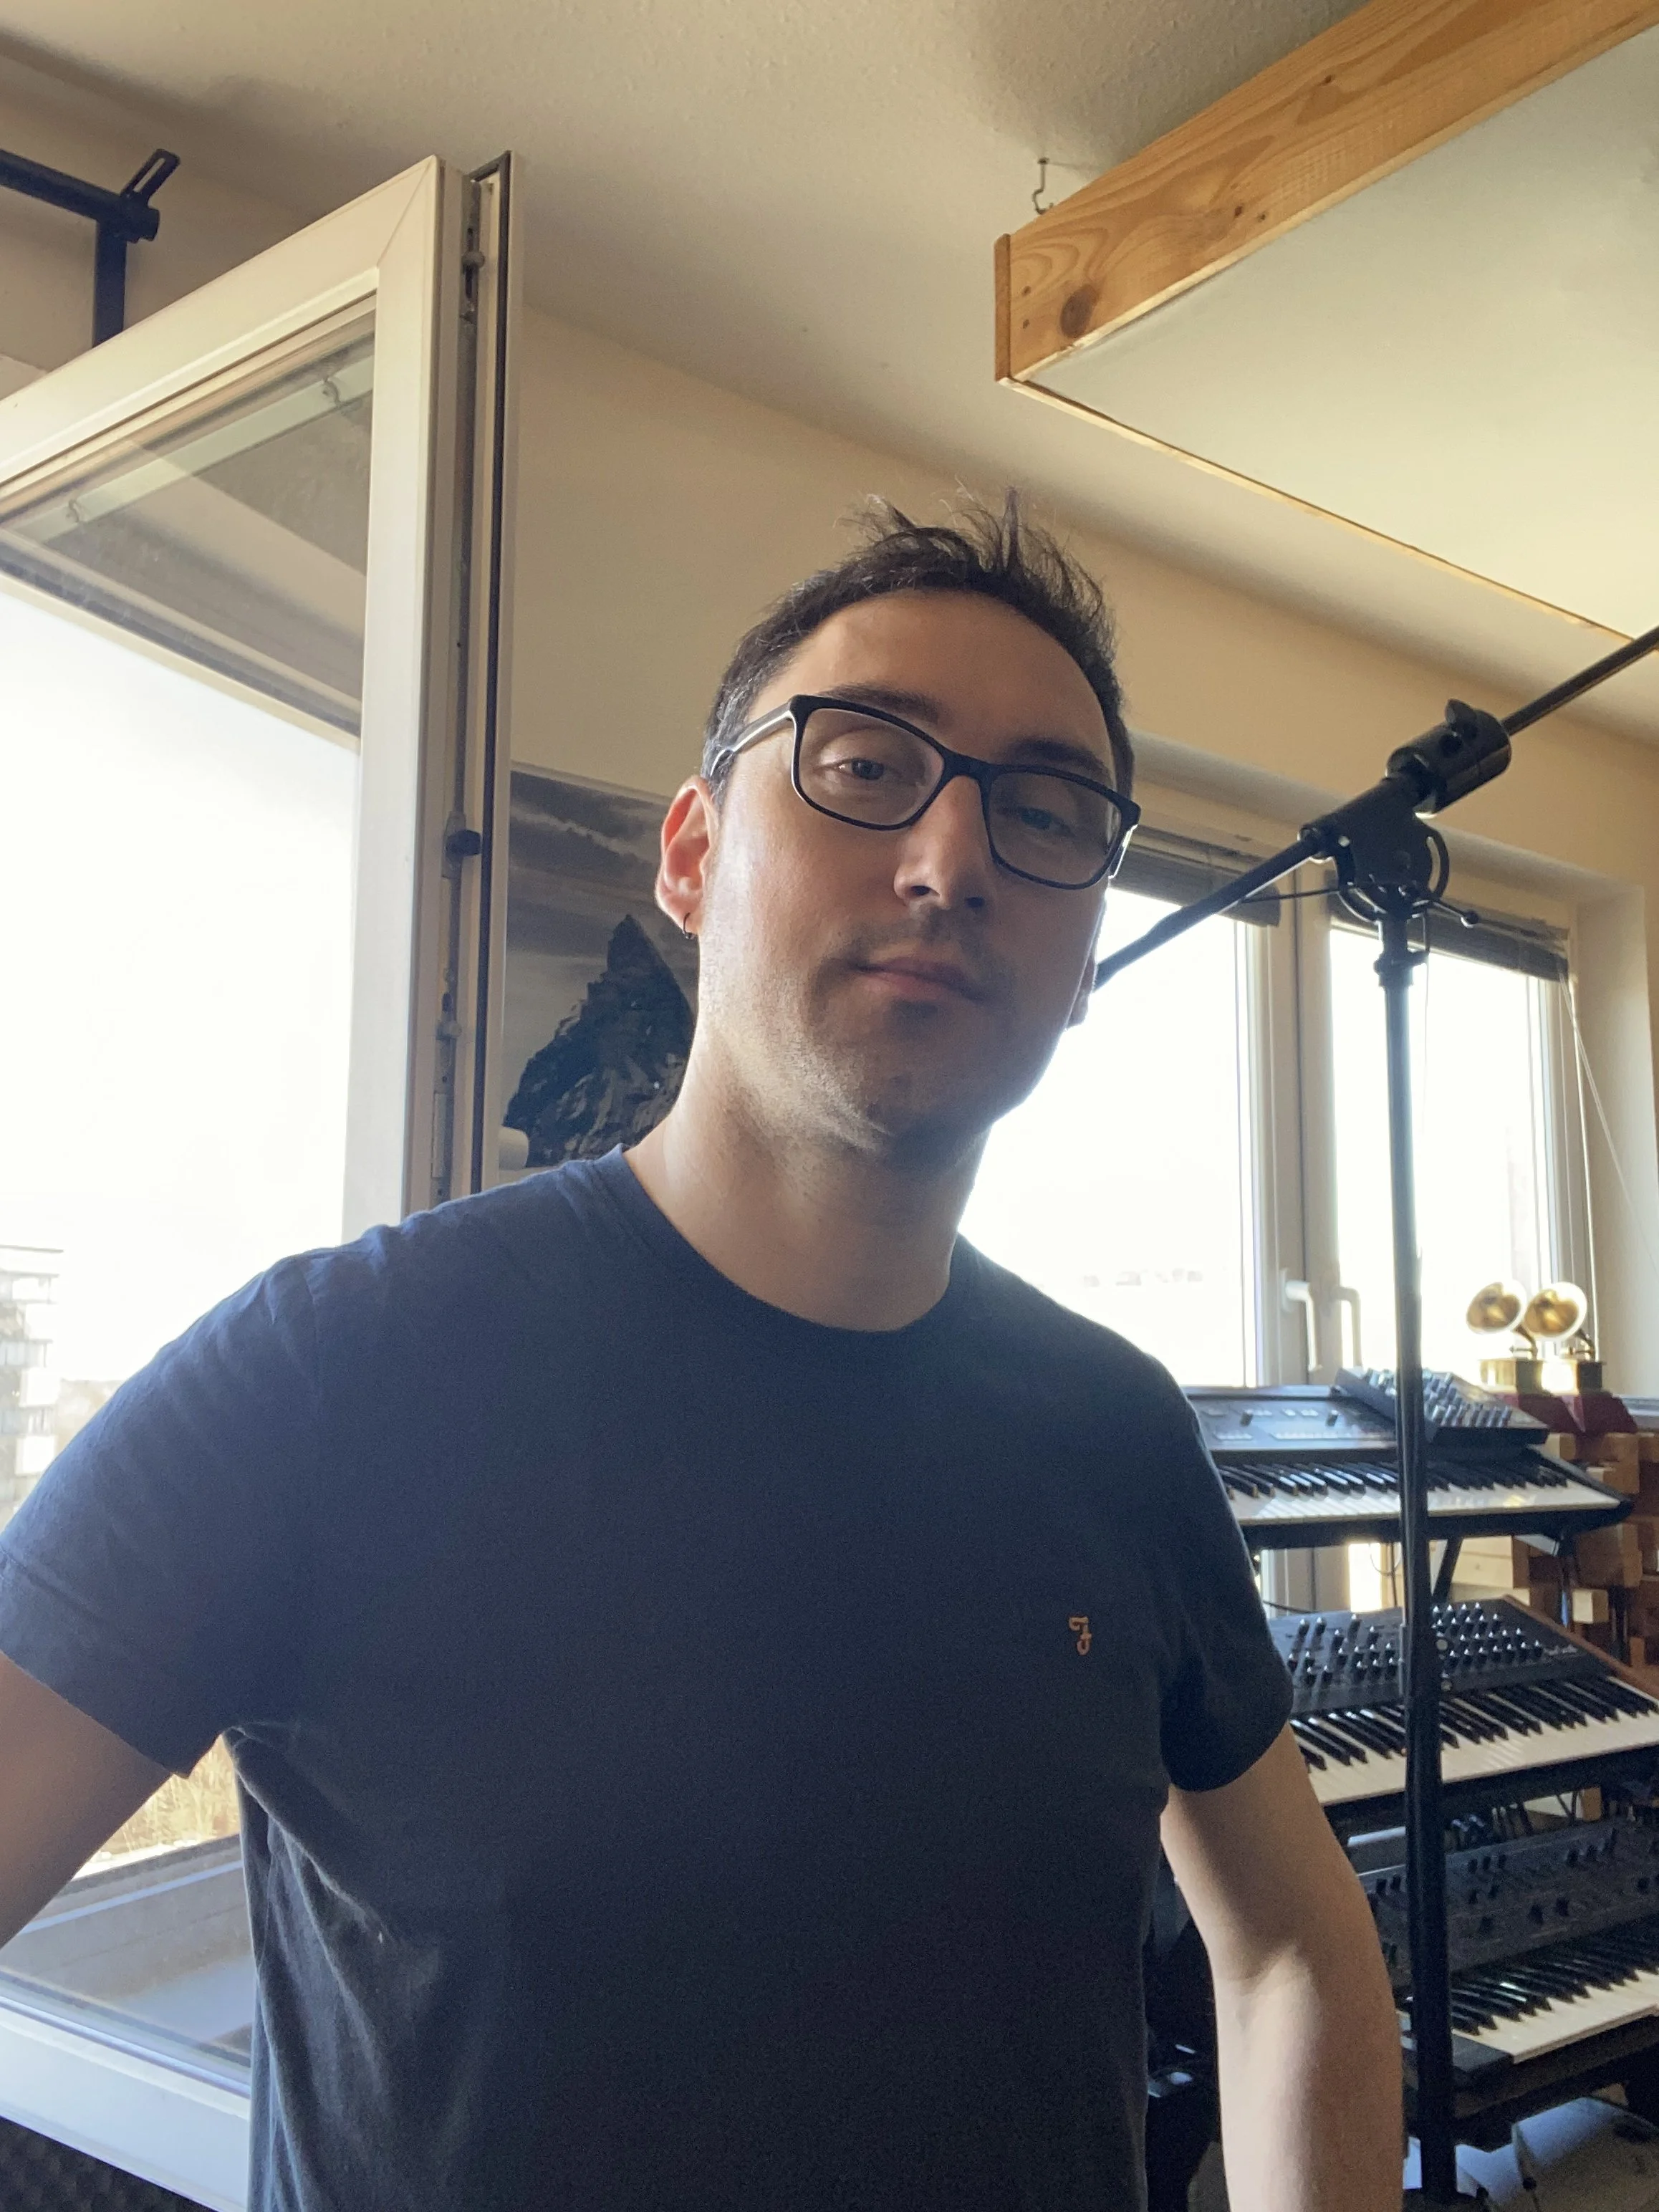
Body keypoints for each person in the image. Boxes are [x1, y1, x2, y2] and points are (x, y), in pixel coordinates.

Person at [0, 499, 1400, 2211]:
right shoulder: (330, 1376)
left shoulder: (1116, 1430)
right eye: (866, 764)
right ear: (690, 853)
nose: (951, 859)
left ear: (1088, 947)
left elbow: (1293, 1952)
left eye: (1043, 812)